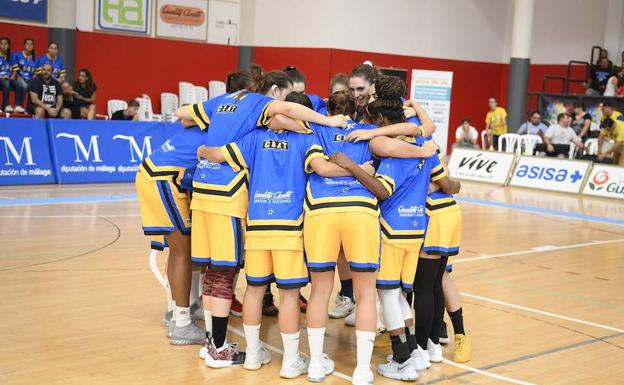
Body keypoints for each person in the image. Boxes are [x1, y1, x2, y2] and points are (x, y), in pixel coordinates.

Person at [176, 67, 347, 369]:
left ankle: (242, 351)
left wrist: (202, 148)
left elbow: (193, 126)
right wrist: (352, 161)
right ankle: (284, 359)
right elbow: (319, 163)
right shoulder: (303, 137)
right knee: (285, 293)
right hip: (272, 220)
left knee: (236, 282)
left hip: (230, 209)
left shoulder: (244, 127)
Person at [303, 76, 434, 385]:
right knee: (367, 295)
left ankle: (315, 366)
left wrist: (342, 165)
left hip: (322, 211)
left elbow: (319, 168)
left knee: (320, 291)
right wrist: (360, 167)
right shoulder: (372, 138)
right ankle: (363, 370)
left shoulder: (315, 130)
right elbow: (416, 132)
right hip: (363, 214)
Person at [11, 38, 37, 113]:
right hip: (19, 78)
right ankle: (19, 106)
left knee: (33, 87)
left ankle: (29, 109)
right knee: (24, 85)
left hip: (30, 80)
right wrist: (19, 78)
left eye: (31, 44)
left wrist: (32, 81)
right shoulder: (18, 55)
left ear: (33, 46)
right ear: (24, 45)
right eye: (27, 44)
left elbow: (35, 73)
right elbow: (15, 70)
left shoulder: (35, 59)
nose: (29, 46)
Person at [0, 37, 16, 114]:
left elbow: (15, 69)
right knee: (6, 83)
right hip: (1, 78)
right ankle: (5, 105)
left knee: (21, 84)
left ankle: (18, 106)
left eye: (5, 44)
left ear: (9, 45)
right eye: (1, 44)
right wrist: (1, 77)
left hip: (9, 78)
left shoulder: (12, 56)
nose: (3, 45)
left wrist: (13, 76)